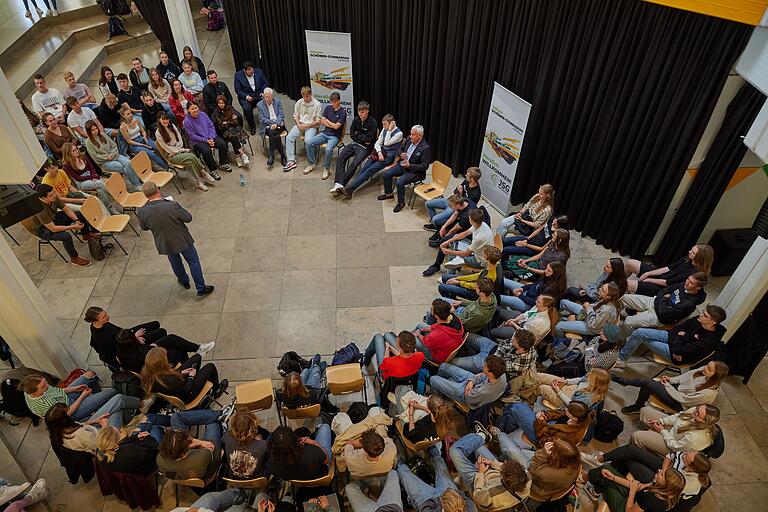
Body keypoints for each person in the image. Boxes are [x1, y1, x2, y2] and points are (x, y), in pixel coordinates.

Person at [137, 182, 214, 295]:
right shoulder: (172, 205)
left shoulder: (142, 211)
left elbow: (144, 227)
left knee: (175, 262)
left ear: (145, 195)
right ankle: (201, 288)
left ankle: (184, 281)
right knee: (193, 262)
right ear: (158, 190)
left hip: (164, 242)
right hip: (181, 239)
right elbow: (188, 218)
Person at [85, 305, 213, 370]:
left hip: (131, 341)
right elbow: (148, 352)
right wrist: (136, 339)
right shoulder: (107, 339)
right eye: (103, 317)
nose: (107, 316)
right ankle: (197, 350)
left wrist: (133, 336)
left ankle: (197, 349)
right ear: (95, 320)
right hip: (138, 351)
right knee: (172, 343)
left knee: (157, 327)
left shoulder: (101, 325)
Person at [581, 447, 711, 505]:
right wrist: (664, 471)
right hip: (658, 481)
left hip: (641, 495)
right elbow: (671, 456)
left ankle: (593, 482)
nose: (684, 454)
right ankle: (601, 467)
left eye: (686, 458)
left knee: (625, 461)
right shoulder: (686, 461)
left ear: (691, 467)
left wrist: (632, 492)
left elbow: (631, 507)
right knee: (629, 451)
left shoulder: (654, 498)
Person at [616, 304, 726, 368]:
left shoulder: (709, 341)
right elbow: (679, 327)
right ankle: (623, 355)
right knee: (639, 332)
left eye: (705, 315)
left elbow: (680, 348)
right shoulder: (699, 319)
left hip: (676, 355)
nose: (701, 314)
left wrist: (680, 337)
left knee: (641, 336)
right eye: (703, 312)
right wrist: (680, 337)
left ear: (713, 322)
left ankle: (621, 359)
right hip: (674, 341)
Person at [494, 400, 595, 464]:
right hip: (549, 426)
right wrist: (545, 415)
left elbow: (544, 442)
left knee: (516, 408)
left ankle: (500, 426)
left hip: (540, 436)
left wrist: (541, 422)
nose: (565, 409)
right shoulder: (576, 417)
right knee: (516, 409)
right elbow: (557, 414)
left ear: (575, 418)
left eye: (568, 410)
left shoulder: (570, 435)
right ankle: (506, 424)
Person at [449, 432, 530, 511]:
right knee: (477, 446)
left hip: (480, 484)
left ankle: (481, 436)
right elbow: (503, 467)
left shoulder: (491, 495)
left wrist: (480, 473)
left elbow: (478, 496)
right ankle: (480, 437)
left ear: (504, 479)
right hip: (492, 473)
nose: (504, 463)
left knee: (454, 450)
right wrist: (492, 463)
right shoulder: (527, 476)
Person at [22, 371, 138, 423]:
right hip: (71, 411)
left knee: (90, 374)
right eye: (43, 386)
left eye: (45, 382)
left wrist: (74, 389)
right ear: (35, 392)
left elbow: (56, 391)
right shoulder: (43, 405)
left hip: (66, 397)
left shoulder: (33, 389)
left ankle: (98, 401)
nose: (47, 385)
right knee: (112, 392)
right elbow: (67, 413)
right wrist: (82, 396)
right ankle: (135, 405)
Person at [617, 361, 728, 415]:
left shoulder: (709, 393)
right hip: (678, 389)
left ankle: (624, 381)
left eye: (709, 369)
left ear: (715, 376)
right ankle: (638, 406)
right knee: (649, 385)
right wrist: (670, 380)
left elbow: (683, 399)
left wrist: (667, 385)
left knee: (646, 382)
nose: (704, 368)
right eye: (707, 365)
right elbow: (684, 377)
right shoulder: (704, 370)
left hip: (681, 404)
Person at [620, 274, 709, 337]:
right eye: (688, 279)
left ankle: (620, 339)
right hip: (653, 302)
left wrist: (664, 299)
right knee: (623, 298)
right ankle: (609, 315)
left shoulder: (689, 303)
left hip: (658, 317)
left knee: (628, 321)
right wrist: (664, 300)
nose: (687, 282)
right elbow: (662, 291)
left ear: (697, 288)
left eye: (691, 283)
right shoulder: (682, 285)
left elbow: (664, 313)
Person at [453, 329, 537, 394]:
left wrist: (495, 357)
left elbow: (497, 365)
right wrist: (496, 355)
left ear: (521, 348)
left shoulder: (518, 364)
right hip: (494, 350)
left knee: (453, 361)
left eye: (514, 340)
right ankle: (470, 352)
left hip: (490, 365)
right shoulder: (526, 344)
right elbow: (504, 344)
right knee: (467, 335)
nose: (512, 339)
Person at [396, 446, 478, 512]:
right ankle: (431, 446)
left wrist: (437, 504)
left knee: (404, 474)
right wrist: (455, 495)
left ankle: (397, 458)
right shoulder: (471, 508)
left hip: (427, 500)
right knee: (440, 464)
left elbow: (424, 508)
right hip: (450, 494)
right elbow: (465, 498)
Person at [29, 184, 92, 266]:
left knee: (79, 214)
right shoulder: (39, 209)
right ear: (43, 198)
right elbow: (53, 229)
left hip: (53, 219)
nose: (55, 195)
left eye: (54, 192)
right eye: (51, 195)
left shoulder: (53, 198)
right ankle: (74, 258)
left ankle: (86, 234)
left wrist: (76, 220)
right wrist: (74, 227)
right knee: (65, 236)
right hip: (43, 229)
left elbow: (66, 209)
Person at [341, 114, 403, 197]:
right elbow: (378, 143)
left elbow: (386, 143)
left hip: (388, 157)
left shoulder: (399, 133)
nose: (383, 126)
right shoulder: (384, 129)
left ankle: (350, 188)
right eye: (383, 124)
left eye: (385, 124)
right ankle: (350, 188)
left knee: (370, 170)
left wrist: (389, 130)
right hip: (379, 153)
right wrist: (379, 152)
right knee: (364, 169)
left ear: (391, 123)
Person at [140, 346, 226, 404]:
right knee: (210, 367)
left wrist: (181, 372)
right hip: (187, 396)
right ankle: (217, 390)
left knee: (197, 357)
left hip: (176, 386)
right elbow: (186, 391)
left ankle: (199, 377)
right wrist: (191, 377)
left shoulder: (148, 374)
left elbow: (170, 376)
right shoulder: (171, 380)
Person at [157, 409, 224, 480]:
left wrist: (191, 441)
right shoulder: (202, 456)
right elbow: (210, 445)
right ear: (186, 448)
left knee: (176, 418)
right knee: (212, 422)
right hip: (208, 462)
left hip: (185, 466)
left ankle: (217, 414)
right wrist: (200, 442)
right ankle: (219, 415)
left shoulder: (160, 459)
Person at [379, 125, 433, 212]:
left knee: (400, 182)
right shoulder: (409, 139)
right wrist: (401, 154)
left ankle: (401, 203)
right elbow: (400, 149)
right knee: (386, 174)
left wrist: (410, 166)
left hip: (414, 171)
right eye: (411, 134)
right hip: (402, 165)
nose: (410, 136)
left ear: (420, 136)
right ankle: (388, 194)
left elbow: (424, 166)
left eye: (413, 134)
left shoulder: (425, 148)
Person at [423, 209, 493, 277]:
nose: (468, 219)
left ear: (472, 221)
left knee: (451, 252)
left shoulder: (479, 238)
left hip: (479, 260)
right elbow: (465, 233)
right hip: (478, 250)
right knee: (453, 239)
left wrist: (450, 252)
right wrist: (448, 241)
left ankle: (450, 276)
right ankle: (445, 264)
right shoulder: (480, 224)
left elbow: (466, 253)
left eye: (469, 218)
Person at [156, 112, 218, 188]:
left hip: (180, 150)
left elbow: (180, 140)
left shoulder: (172, 126)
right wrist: (181, 150)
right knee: (191, 156)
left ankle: (199, 181)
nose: (166, 121)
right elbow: (166, 148)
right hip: (171, 155)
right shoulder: (158, 133)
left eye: (167, 119)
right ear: (159, 120)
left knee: (190, 160)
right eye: (163, 119)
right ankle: (203, 172)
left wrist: (181, 149)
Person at [586, 464, 685, 512]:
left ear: (666, 484)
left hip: (627, 507)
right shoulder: (659, 486)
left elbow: (628, 511)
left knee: (606, 485)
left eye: (662, 474)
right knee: (606, 469)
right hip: (634, 499)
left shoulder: (653, 499)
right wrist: (613, 477)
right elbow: (639, 486)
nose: (659, 470)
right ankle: (588, 486)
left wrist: (632, 492)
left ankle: (584, 483)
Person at [631, 405, 720, 456]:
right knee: (645, 410)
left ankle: (636, 452)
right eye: (697, 408)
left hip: (673, 447)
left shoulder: (694, 438)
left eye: (698, 413)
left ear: (704, 422)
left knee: (636, 436)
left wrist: (662, 431)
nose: (694, 411)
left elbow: (675, 446)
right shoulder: (695, 411)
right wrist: (662, 421)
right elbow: (679, 416)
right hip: (674, 431)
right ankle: (649, 439)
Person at [625, 244, 715, 295]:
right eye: (691, 249)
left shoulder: (692, 273)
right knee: (630, 263)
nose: (689, 252)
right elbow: (668, 268)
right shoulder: (688, 258)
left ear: (699, 257)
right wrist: (648, 273)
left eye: (693, 252)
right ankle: (617, 282)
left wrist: (649, 279)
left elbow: (667, 282)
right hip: (664, 276)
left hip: (664, 287)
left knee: (627, 284)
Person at [331, 101, 377, 194]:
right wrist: (362, 137)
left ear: (367, 111)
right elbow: (352, 135)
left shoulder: (373, 122)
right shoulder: (356, 120)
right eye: (359, 111)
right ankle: (338, 183)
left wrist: (358, 135)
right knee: (340, 157)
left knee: (355, 163)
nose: (360, 114)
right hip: (354, 143)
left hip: (365, 148)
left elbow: (370, 139)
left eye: (362, 112)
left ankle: (342, 183)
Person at [428, 355, 507, 408]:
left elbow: (468, 396)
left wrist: (471, 382)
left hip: (466, 395)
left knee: (433, 379)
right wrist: (472, 381)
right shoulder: (501, 374)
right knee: (443, 366)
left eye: (485, 366)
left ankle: (436, 404)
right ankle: (443, 389)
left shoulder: (482, 391)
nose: (483, 365)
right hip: (474, 384)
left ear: (491, 373)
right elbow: (482, 375)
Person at [545, 324, 623, 378]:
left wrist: (589, 350)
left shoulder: (608, 356)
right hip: (584, 355)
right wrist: (590, 350)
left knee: (555, 369)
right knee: (563, 345)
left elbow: (588, 366)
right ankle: (548, 359)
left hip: (586, 370)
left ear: (608, 339)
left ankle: (547, 373)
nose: (600, 332)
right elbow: (591, 342)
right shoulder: (602, 339)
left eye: (603, 333)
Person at [61, 142, 120, 213]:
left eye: (76, 149)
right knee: (99, 183)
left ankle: (110, 209)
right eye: (73, 151)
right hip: (81, 182)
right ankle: (116, 195)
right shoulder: (66, 165)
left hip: (90, 176)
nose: (77, 151)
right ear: (68, 153)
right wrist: (93, 176)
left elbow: (92, 168)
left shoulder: (83, 156)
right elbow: (78, 178)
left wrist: (93, 175)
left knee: (100, 191)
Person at [84, 120, 141, 189]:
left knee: (129, 162)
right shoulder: (88, 142)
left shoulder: (103, 134)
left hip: (115, 155)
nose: (95, 131)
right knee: (123, 167)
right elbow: (95, 156)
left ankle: (137, 183)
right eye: (92, 130)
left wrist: (111, 155)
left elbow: (114, 145)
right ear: (89, 131)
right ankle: (137, 184)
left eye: (96, 128)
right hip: (105, 162)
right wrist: (107, 157)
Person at [185, 102, 237, 174]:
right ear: (188, 110)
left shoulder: (203, 114)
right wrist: (206, 140)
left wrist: (211, 138)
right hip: (198, 140)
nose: (195, 110)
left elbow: (211, 126)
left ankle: (223, 163)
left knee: (222, 144)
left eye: (196, 108)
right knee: (206, 151)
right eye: (192, 109)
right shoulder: (187, 121)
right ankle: (212, 170)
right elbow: (192, 136)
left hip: (210, 136)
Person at [430, 278, 496, 335]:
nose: (475, 288)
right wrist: (462, 302)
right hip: (464, 311)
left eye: (476, 288)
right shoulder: (490, 296)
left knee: (433, 312)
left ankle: (432, 330)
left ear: (482, 293)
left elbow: (463, 324)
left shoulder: (479, 314)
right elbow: (475, 303)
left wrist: (453, 313)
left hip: (460, 320)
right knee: (439, 301)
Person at [305, 91, 347, 179]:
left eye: (335, 102)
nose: (333, 104)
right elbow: (321, 120)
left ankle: (326, 169)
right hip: (325, 133)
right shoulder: (328, 108)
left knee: (328, 149)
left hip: (335, 136)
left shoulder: (343, 112)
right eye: (332, 102)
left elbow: (336, 127)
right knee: (309, 143)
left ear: (339, 101)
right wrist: (330, 123)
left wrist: (326, 121)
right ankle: (311, 164)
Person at [268, 424, 333, 481]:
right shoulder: (312, 451)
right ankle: (319, 428)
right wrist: (315, 443)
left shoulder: (272, 465)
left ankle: (318, 429)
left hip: (300, 481)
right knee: (325, 427)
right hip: (320, 476)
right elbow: (327, 460)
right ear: (295, 439)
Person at [95, 421, 161, 476]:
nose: (120, 432)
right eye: (119, 432)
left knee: (144, 427)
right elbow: (155, 452)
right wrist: (148, 437)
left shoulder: (100, 456)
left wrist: (137, 437)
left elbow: (122, 444)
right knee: (155, 428)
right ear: (115, 441)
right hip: (146, 470)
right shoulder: (130, 451)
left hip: (129, 474)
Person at [555, 282, 622, 337]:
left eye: (603, 290)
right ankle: (553, 314)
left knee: (557, 326)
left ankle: (558, 342)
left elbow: (594, 326)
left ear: (608, 296)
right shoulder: (604, 298)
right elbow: (595, 306)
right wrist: (588, 307)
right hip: (590, 314)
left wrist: (588, 308)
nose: (599, 289)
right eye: (602, 287)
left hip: (591, 328)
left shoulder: (607, 310)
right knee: (563, 302)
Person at [438, 246, 502, 301]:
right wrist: (458, 278)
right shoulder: (495, 264)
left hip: (475, 292)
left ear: (486, 257)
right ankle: (452, 293)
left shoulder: (491, 276)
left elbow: (476, 286)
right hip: (477, 284)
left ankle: (453, 302)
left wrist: (459, 282)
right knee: (445, 277)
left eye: (484, 253)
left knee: (442, 287)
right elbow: (478, 275)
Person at [500, 214, 570, 264]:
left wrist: (526, 244)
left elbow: (541, 249)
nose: (553, 223)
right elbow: (539, 229)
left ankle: (503, 265)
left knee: (506, 250)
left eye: (555, 224)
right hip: (530, 239)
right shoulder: (552, 220)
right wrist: (527, 239)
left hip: (533, 248)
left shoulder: (556, 235)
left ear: (560, 226)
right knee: (504, 241)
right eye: (555, 220)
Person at [44, 402, 110, 454]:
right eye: (67, 412)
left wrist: (96, 420)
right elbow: (101, 445)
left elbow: (79, 425)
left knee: (117, 400)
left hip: (92, 432)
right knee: (117, 403)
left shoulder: (57, 431)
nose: (69, 412)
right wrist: (105, 426)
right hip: (103, 442)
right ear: (64, 419)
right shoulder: (81, 435)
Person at [500, 261, 567, 312]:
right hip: (528, 292)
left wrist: (520, 296)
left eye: (549, 271)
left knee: (500, 298)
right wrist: (522, 288)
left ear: (555, 274)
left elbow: (534, 302)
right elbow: (536, 284)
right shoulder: (548, 276)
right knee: (503, 280)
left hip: (531, 304)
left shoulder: (551, 289)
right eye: (546, 268)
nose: (545, 271)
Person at [490, 294, 558, 343]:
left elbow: (524, 333)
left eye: (538, 302)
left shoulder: (539, 322)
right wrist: (515, 320)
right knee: (500, 311)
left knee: (492, 332)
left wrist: (513, 324)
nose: (535, 302)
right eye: (537, 300)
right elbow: (527, 314)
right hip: (525, 323)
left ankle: (492, 341)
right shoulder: (539, 307)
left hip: (523, 337)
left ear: (546, 307)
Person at [284, 86, 322, 171]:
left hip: (311, 126)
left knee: (308, 141)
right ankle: (291, 161)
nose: (305, 98)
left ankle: (311, 163)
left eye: (307, 96)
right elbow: (295, 116)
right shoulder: (299, 102)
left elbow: (318, 121)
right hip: (300, 124)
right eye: (303, 96)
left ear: (310, 95)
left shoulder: (317, 104)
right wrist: (298, 124)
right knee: (289, 137)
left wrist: (307, 126)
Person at [415, 299, 465, 363]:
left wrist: (419, 335)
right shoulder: (454, 317)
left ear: (436, 316)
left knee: (412, 338)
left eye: (432, 309)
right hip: (448, 345)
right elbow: (436, 326)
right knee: (421, 326)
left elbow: (426, 342)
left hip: (438, 356)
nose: (431, 309)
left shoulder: (436, 335)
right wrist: (421, 330)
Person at [222, 411, 268, 480]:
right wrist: (259, 441)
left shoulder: (227, 436)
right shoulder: (263, 445)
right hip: (256, 480)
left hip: (233, 479)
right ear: (253, 428)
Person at [119, 105, 167, 170]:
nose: (130, 115)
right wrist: (143, 145)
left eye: (130, 113)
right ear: (123, 116)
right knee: (151, 154)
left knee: (158, 147)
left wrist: (144, 137)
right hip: (135, 144)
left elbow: (143, 131)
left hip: (142, 138)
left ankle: (168, 162)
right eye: (128, 114)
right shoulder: (123, 127)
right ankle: (166, 168)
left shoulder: (136, 120)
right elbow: (129, 141)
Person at [537, 367, 611, 409]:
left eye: (590, 375)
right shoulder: (591, 379)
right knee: (539, 376)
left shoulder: (588, 398)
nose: (588, 374)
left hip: (567, 401)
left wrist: (558, 392)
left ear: (596, 381)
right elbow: (580, 379)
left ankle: (529, 400)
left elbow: (572, 405)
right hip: (571, 388)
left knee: (541, 387)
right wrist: (565, 381)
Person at [563, 257, 628, 303]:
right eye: (606, 265)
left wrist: (585, 289)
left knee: (570, 290)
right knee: (574, 292)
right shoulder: (608, 273)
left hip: (597, 299)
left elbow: (597, 295)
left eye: (607, 267)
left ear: (614, 270)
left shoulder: (612, 285)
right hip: (594, 292)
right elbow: (597, 283)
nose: (604, 267)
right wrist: (587, 288)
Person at [212, 95, 250, 167]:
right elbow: (221, 125)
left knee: (233, 137)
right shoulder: (216, 113)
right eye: (219, 103)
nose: (221, 105)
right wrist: (230, 121)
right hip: (225, 131)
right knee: (233, 136)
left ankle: (238, 157)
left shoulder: (230, 108)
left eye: (222, 103)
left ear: (225, 103)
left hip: (235, 128)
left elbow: (235, 121)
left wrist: (227, 122)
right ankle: (242, 155)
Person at [234, 61, 269, 134]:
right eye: (249, 70)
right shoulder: (238, 76)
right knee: (247, 108)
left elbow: (266, 83)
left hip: (258, 94)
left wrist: (263, 91)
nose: (251, 71)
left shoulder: (259, 72)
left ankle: (267, 122)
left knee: (268, 101)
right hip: (246, 96)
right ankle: (252, 126)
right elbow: (238, 90)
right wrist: (246, 97)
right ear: (244, 70)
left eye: (252, 69)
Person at [256, 88, 286, 167]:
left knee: (273, 132)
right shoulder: (259, 105)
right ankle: (282, 156)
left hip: (279, 124)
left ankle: (271, 154)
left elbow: (281, 114)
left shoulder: (277, 101)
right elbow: (262, 119)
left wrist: (276, 123)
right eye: (265, 97)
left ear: (272, 96)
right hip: (267, 126)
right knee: (274, 133)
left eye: (268, 97)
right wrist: (273, 123)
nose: (266, 99)